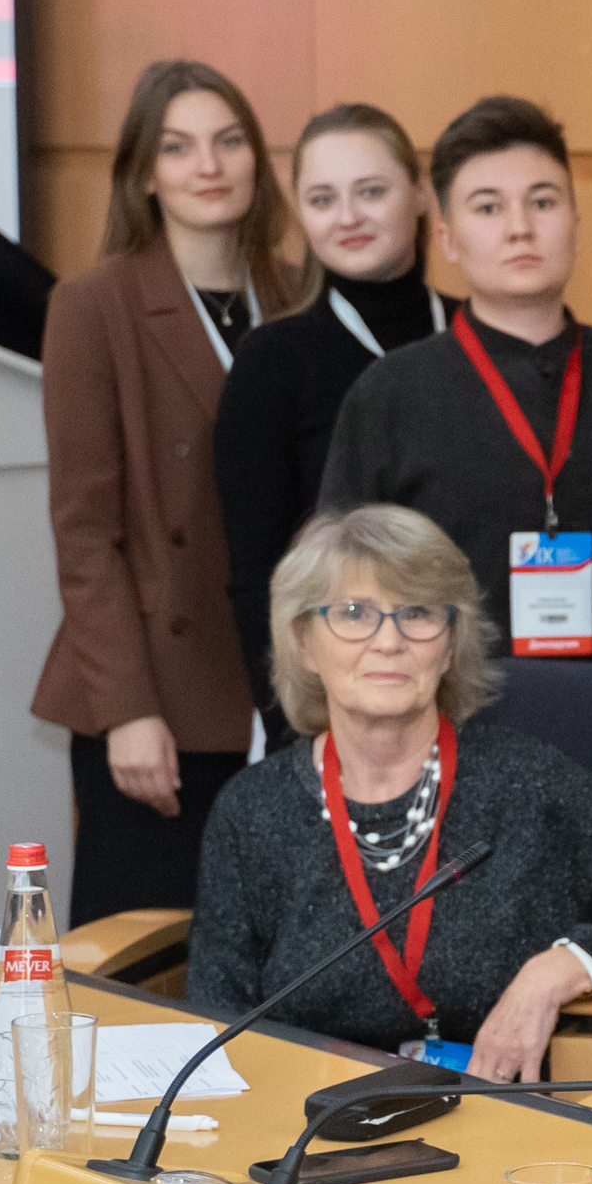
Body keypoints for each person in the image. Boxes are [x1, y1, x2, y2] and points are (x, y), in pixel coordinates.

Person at [191, 506, 592, 1077]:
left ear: (448, 646)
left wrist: (558, 970)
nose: (389, 641)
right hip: (300, 1123)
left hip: (498, 1115)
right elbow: (213, 1023)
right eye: (353, 613)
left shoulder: (528, 784)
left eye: (418, 614)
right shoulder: (251, 811)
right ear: (304, 642)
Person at [33, 58, 309, 922]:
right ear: (144, 173)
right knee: (144, 962)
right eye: (179, 146)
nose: (210, 165)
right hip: (158, 699)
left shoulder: (299, 293)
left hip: (285, 686)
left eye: (229, 141)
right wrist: (127, 711)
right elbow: (85, 532)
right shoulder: (94, 305)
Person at [321, 95, 592, 663]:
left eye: (543, 201)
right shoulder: (391, 392)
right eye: (487, 208)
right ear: (447, 239)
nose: (520, 228)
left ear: (576, 224)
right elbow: (346, 577)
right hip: (447, 706)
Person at [218, 101, 449, 739]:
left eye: (371, 191)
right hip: (341, 714)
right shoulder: (272, 361)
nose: (347, 217)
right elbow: (256, 571)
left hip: (483, 686)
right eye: (322, 199)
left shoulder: (474, 333)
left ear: (422, 193)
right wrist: (296, 730)